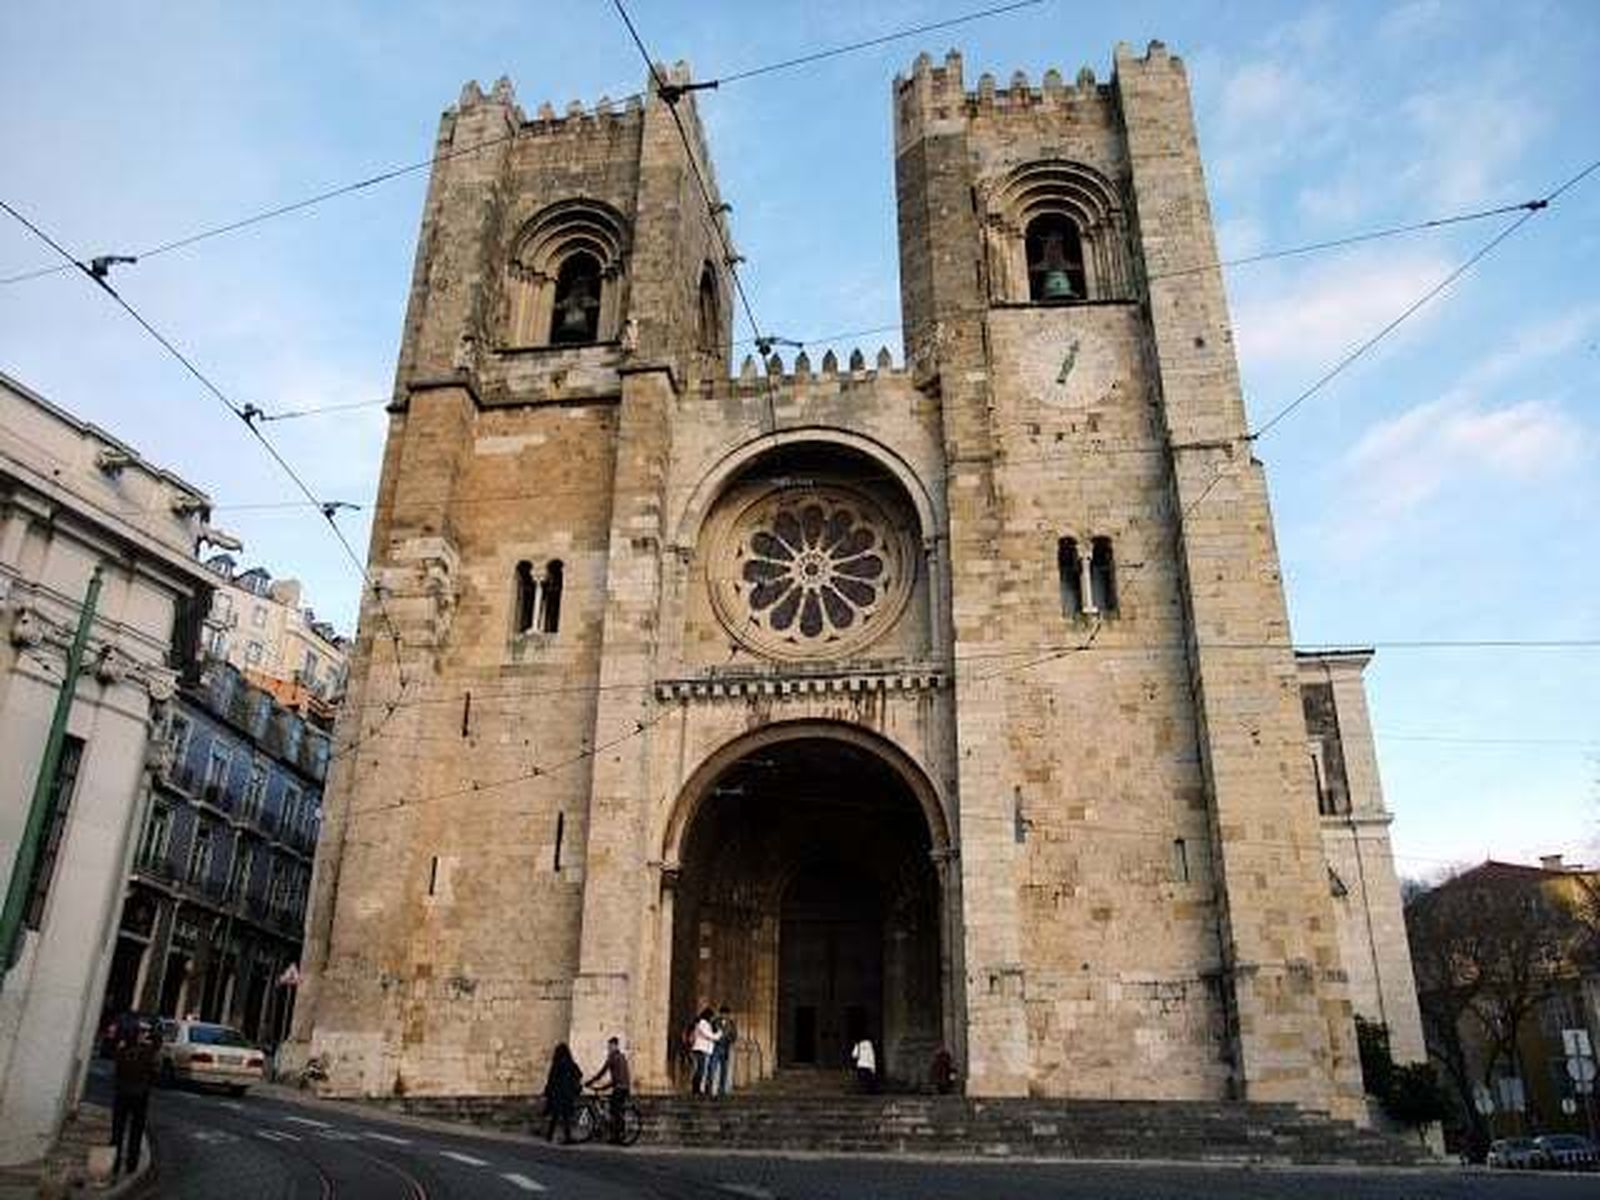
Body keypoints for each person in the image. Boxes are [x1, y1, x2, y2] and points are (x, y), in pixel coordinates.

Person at [110, 1020, 160, 1176]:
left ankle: (115, 1162)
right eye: (142, 1032)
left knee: (118, 1129)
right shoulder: (148, 1051)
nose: (145, 1035)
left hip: (123, 1092)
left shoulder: (123, 1049)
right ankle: (131, 1163)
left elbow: (117, 1069)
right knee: (135, 1130)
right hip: (140, 1094)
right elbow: (155, 1069)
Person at [584, 1036, 632, 1144]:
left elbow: (602, 1072)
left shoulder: (613, 1057)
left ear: (615, 1045)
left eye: (610, 1046)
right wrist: (603, 1087)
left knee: (614, 1111)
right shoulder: (621, 1056)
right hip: (624, 1087)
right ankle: (616, 1135)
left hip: (620, 1087)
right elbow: (617, 1077)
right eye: (609, 1046)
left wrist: (590, 1082)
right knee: (615, 1110)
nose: (609, 1048)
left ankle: (618, 1136)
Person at [541, 1042, 583, 1144]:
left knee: (555, 1116)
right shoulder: (571, 1063)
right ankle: (567, 1137)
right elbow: (579, 1074)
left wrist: (547, 1091)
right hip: (568, 1094)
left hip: (557, 1094)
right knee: (566, 1117)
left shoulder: (556, 1064)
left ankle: (549, 1136)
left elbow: (551, 1079)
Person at [689, 1006, 719, 1097]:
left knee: (702, 1070)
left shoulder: (706, 1024)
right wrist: (718, 1035)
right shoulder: (702, 1023)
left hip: (705, 1049)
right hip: (700, 1049)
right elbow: (708, 1035)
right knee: (700, 1070)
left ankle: (699, 1089)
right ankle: (696, 1089)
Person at [711, 1005, 738, 1098]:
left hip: (726, 1047)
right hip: (716, 1047)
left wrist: (729, 1040)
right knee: (712, 1068)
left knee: (724, 1070)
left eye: (726, 1014)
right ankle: (710, 1088)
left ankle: (721, 1089)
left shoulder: (731, 1023)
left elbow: (734, 1034)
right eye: (723, 1014)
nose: (724, 1015)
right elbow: (711, 1032)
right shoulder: (715, 1022)